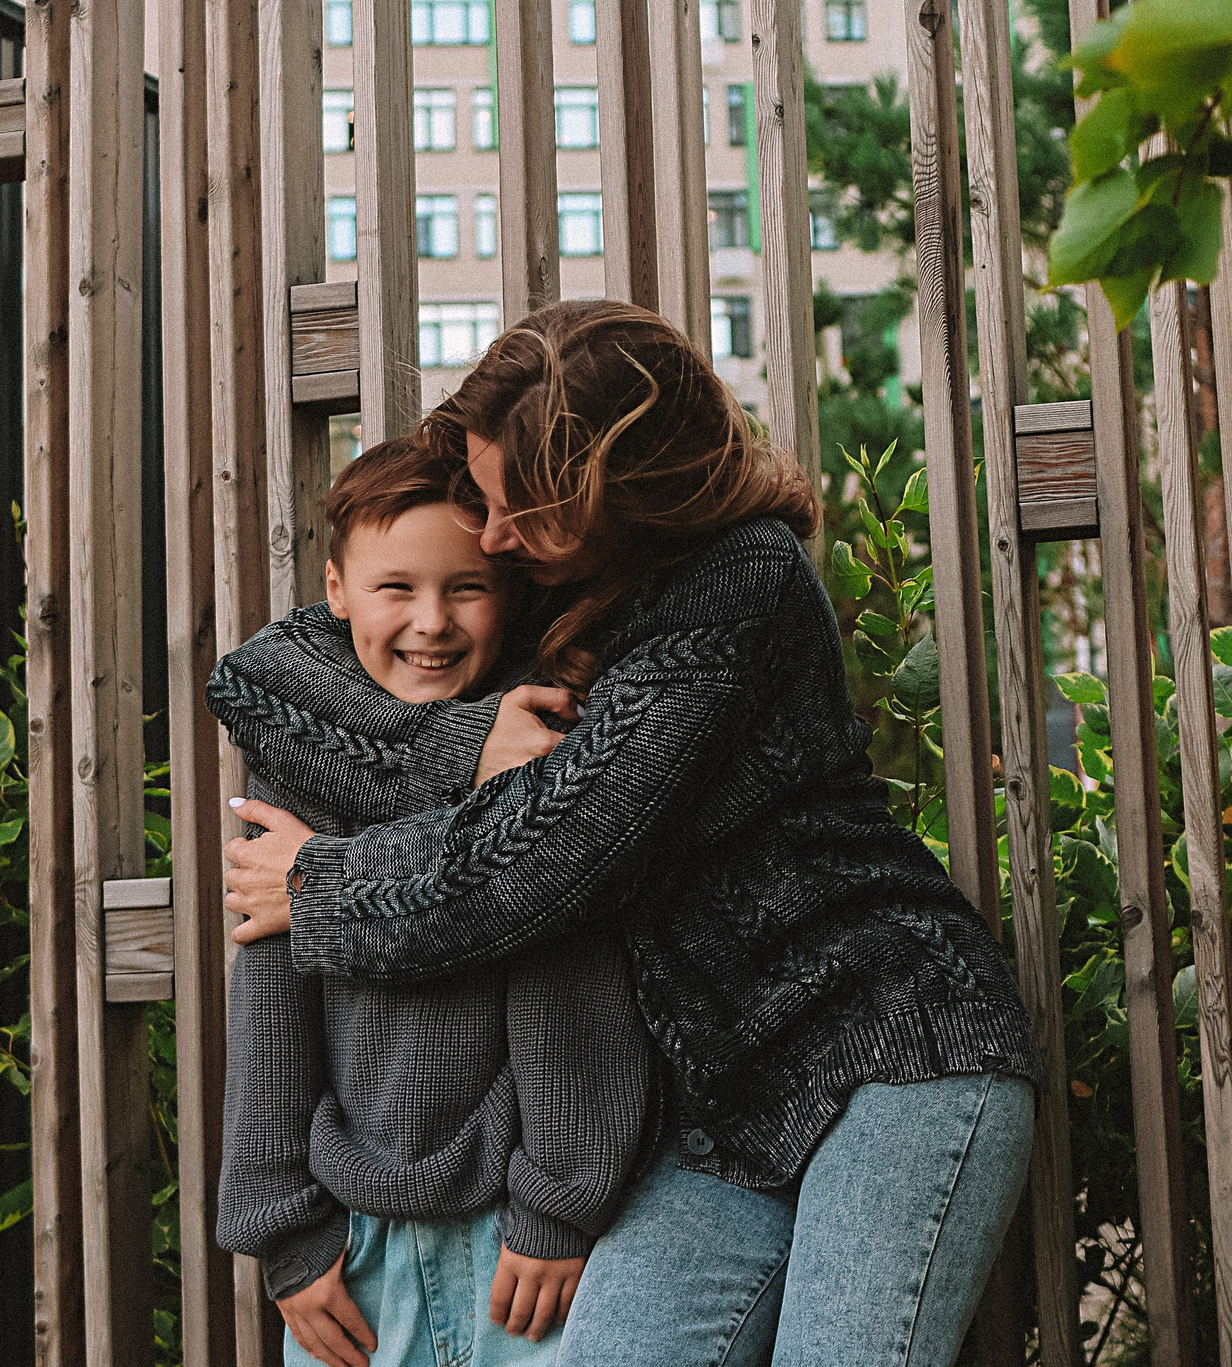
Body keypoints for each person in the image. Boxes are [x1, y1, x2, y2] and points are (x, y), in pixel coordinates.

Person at [217, 299, 1040, 1367]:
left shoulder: (738, 584)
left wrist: (319, 886)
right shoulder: (545, 560)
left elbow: (550, 857)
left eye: (522, 514)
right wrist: (460, 744)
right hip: (717, 1109)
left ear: (623, 497)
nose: (493, 537)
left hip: (891, 1051)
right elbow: (264, 672)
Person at [213, 430, 657, 1367]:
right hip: (352, 1243)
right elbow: (270, 995)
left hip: (512, 1234)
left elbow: (564, 978)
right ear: (335, 592)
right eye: (395, 588)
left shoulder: (537, 741)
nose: (432, 622)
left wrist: (557, 1203)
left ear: (509, 594)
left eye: (466, 588)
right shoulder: (300, 764)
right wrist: (282, 1231)